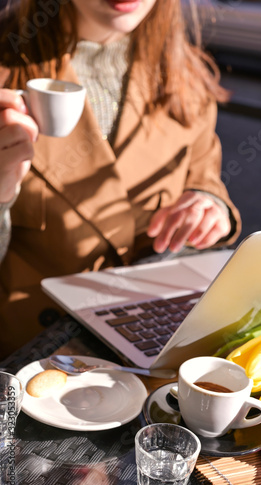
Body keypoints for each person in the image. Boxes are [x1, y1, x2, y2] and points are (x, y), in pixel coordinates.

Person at [0, 0, 241, 359]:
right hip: (31, 355)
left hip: (149, 335)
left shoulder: (186, 73)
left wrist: (209, 204)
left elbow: (203, 174)